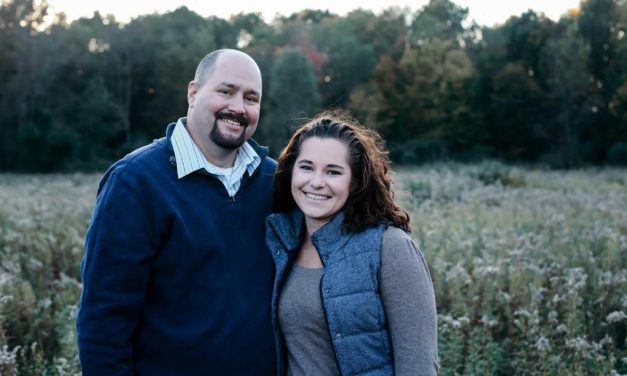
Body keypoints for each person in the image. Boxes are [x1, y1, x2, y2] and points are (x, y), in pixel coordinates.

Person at [77, 49, 277, 375]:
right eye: (225, 91)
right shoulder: (136, 181)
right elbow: (104, 316)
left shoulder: (274, 181)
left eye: (251, 98)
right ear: (194, 93)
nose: (238, 107)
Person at [266, 111, 438, 376]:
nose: (316, 182)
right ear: (291, 172)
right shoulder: (280, 243)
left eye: (333, 172)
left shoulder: (390, 247)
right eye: (306, 167)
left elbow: (419, 366)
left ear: (355, 182)